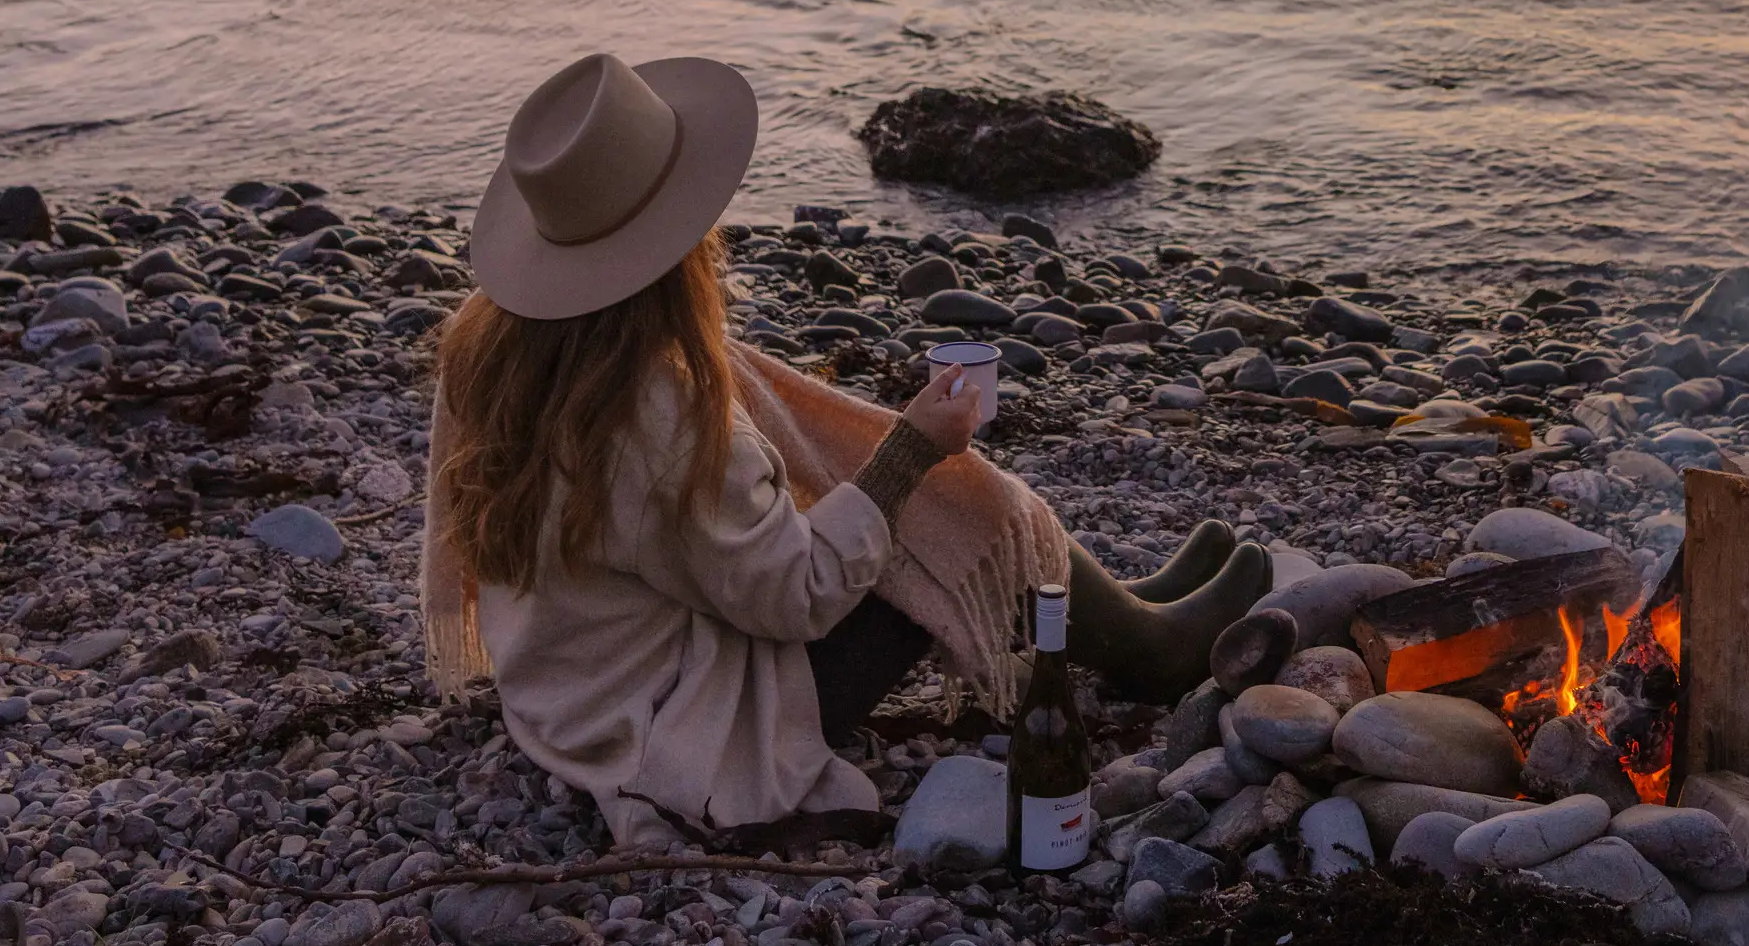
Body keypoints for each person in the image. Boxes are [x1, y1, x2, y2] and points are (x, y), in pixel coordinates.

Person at [421, 50, 1272, 841]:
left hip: (570, 688)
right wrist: (907, 455)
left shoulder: (483, 342)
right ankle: (1150, 648)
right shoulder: (655, 412)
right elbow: (798, 595)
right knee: (941, 512)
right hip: (681, 717)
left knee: (892, 500)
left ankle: (1116, 604)